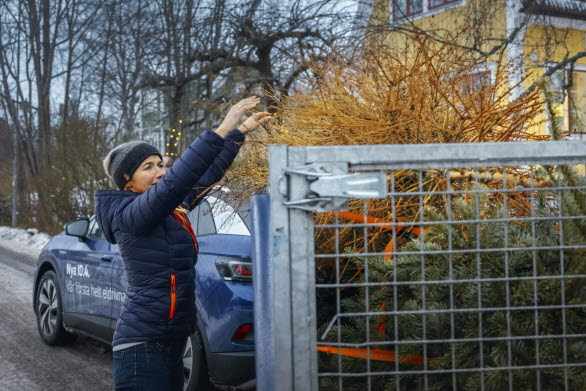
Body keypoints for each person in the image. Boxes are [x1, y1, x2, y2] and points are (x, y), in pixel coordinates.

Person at [95, 97, 271, 391]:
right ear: (127, 180)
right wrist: (223, 127)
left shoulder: (168, 210)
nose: (160, 172)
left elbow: (203, 175)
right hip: (142, 347)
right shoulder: (129, 216)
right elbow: (178, 179)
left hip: (173, 339)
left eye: (161, 164)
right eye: (148, 167)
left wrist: (239, 132)